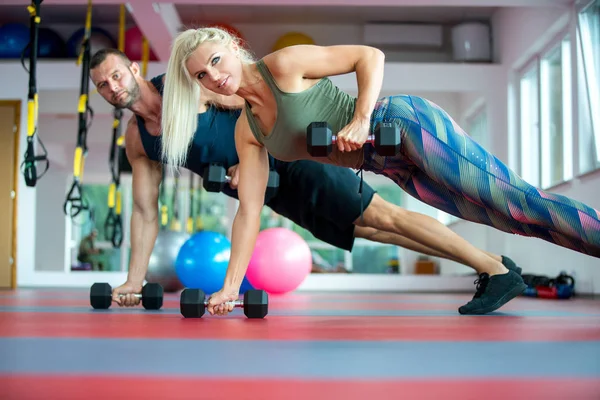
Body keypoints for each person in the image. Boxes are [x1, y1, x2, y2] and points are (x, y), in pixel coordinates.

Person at [161, 27, 600, 316]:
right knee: (504, 218)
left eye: (216, 61)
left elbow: (369, 55)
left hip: (403, 125)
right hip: (389, 166)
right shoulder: (248, 132)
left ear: (234, 49)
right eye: (202, 75)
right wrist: (229, 288)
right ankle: (502, 275)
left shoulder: (283, 64)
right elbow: (248, 213)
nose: (214, 76)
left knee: (515, 202)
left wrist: (361, 118)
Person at [89, 48, 522, 311]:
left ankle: (494, 268)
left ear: (133, 68)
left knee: (385, 217)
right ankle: (491, 267)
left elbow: (251, 100)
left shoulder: (187, 88)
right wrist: (133, 279)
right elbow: (145, 212)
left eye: (116, 75)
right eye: (102, 86)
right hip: (270, 191)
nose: (112, 87)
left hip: (288, 160)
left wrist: (247, 156)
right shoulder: (138, 140)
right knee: (372, 230)